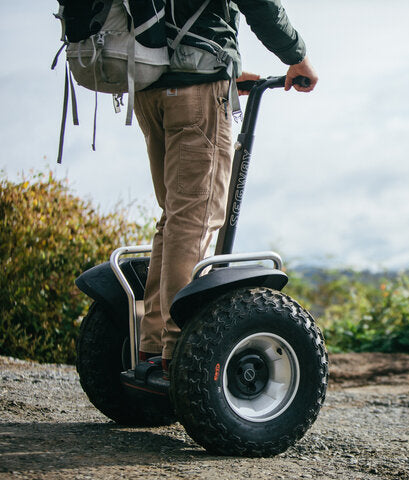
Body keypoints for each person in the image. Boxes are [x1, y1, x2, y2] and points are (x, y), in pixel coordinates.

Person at [134, 0, 317, 373]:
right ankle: (179, 352)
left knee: (174, 218)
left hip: (150, 86)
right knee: (195, 221)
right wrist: (296, 56)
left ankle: (151, 344)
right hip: (197, 89)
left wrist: (226, 74)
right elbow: (260, 5)